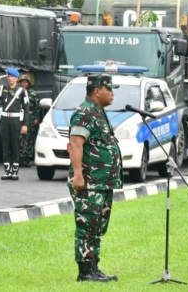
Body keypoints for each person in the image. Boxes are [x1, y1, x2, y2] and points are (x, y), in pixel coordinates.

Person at [67, 74, 122, 283]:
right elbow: (75, 144)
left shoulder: (98, 112)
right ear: (97, 90)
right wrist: (78, 175)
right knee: (87, 226)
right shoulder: (85, 112)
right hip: (89, 182)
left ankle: (94, 267)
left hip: (101, 182)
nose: (113, 93)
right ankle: (85, 272)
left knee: (96, 227)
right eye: (109, 89)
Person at [0, 67, 30, 180]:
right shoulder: (2, 89)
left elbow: (26, 108)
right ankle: (7, 170)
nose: (10, 79)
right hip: (4, 120)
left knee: (15, 145)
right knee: (5, 145)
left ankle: (14, 170)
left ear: (17, 78)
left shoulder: (22, 91)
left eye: (12, 76)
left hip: (15, 121)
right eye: (8, 76)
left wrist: (25, 124)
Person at [18, 73, 42, 168]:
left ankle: (28, 158)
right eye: (22, 82)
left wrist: (37, 117)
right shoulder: (17, 92)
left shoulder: (33, 93)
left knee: (29, 139)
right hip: (19, 117)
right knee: (19, 138)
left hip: (30, 118)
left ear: (29, 83)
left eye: (25, 82)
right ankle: (20, 157)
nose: (24, 84)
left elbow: (38, 107)